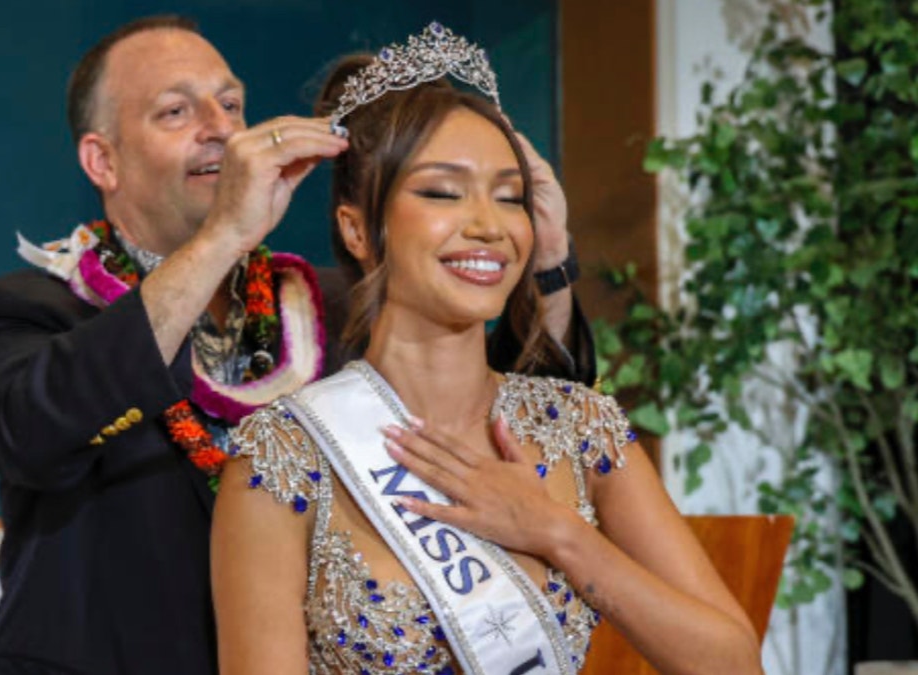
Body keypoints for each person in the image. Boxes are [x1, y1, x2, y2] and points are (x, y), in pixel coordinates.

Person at [0, 15, 592, 675]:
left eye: (230, 103)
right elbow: (27, 432)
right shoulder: (26, 309)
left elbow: (532, 431)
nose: (220, 127)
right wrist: (222, 236)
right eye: (176, 111)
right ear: (102, 160)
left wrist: (547, 265)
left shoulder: (332, 306)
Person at [212, 24, 763, 675]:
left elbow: (733, 662)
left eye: (510, 197)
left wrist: (557, 532)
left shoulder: (579, 428)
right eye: (443, 192)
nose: (488, 225)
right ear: (358, 227)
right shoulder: (283, 458)